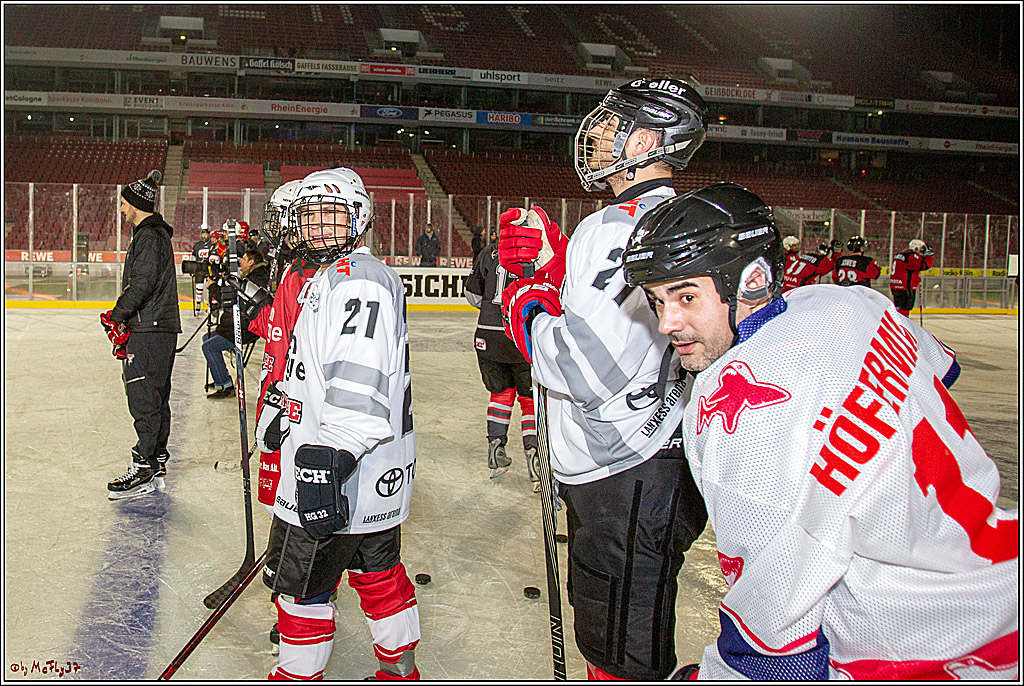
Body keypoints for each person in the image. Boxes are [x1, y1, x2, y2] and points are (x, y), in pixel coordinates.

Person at [621, 182, 1018, 680]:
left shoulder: (732, 408)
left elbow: (774, 639)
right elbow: (941, 369)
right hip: (1003, 580)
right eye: (658, 301)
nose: (666, 323)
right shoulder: (845, 303)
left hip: (918, 644)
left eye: (685, 295)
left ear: (751, 279)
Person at [498, 77, 710, 680]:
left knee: (622, 655)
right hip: (663, 457)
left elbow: (584, 369)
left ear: (646, 139)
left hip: (622, 470)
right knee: (632, 633)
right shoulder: (675, 218)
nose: (594, 138)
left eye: (611, 127)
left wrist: (529, 306)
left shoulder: (616, 227)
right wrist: (554, 271)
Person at [261, 168, 422, 681]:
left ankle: (296, 674)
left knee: (303, 587)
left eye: (333, 217)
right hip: (374, 474)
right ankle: (400, 670)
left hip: (337, 465)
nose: (319, 228)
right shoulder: (330, 277)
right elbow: (310, 365)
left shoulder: (357, 279)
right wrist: (280, 406)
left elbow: (357, 375)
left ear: (358, 221)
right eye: (311, 217)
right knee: (377, 570)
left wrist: (330, 457)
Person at [102, 170, 181, 500]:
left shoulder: (148, 237)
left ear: (136, 204)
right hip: (159, 329)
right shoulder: (155, 236)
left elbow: (142, 284)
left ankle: (144, 466)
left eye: (123, 202)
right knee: (157, 396)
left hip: (148, 330)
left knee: (144, 397)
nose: (120, 208)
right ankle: (157, 459)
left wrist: (117, 314)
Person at [464, 234, 540, 489]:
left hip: (488, 335)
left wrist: (492, 311)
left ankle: (496, 449)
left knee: (500, 394)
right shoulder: (537, 251)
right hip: (523, 336)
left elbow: (472, 294)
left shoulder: (489, 252)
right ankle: (535, 456)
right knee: (530, 399)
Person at [201, 246, 270, 399]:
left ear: (251, 262)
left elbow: (230, 303)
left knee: (208, 346)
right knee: (206, 338)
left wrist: (213, 287)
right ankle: (221, 376)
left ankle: (225, 386)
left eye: (244, 260)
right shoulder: (253, 276)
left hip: (244, 329)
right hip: (237, 325)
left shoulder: (254, 280)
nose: (240, 262)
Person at [890, 238, 935, 317]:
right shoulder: (911, 256)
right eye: (921, 249)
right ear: (916, 248)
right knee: (905, 309)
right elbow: (924, 265)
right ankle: (902, 326)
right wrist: (929, 257)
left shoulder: (900, 254)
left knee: (899, 308)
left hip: (896, 285)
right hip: (905, 286)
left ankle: (898, 325)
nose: (921, 252)